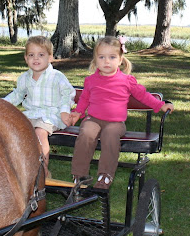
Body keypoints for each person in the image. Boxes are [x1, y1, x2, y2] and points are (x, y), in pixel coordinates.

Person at [70, 36, 174, 189]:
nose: (106, 61)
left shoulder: (126, 80)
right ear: (95, 60)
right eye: (102, 57)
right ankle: (80, 175)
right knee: (86, 132)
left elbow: (143, 96)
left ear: (120, 60)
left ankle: (105, 176)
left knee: (110, 135)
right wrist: (78, 112)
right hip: (93, 119)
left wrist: (160, 105)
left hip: (115, 123)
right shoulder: (91, 80)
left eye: (112, 57)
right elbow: (84, 99)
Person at [3, 36, 75, 178]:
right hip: (31, 114)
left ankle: (43, 171)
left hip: (51, 116)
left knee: (40, 133)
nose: (36, 58)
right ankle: (21, 169)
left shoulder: (57, 77)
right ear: (26, 58)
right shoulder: (24, 78)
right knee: (14, 131)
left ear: (50, 57)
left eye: (41, 55)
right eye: (31, 55)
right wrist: (1, 105)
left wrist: (64, 111)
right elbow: (17, 95)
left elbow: (68, 94)